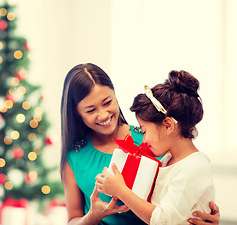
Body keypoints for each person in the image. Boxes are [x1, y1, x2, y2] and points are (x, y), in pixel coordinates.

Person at [60, 63, 220, 225]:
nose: (103, 115)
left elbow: (182, 198)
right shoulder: (75, 156)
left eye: (107, 102)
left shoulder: (155, 142)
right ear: (77, 112)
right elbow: (73, 219)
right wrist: (93, 216)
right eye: (90, 110)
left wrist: (203, 213)